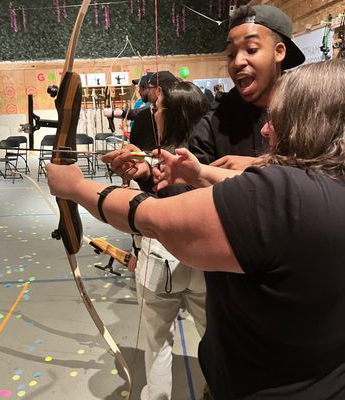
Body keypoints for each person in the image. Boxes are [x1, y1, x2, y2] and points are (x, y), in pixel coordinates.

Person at [47, 58, 345, 399]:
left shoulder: (285, 195)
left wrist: (75, 187)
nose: (265, 130)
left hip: (266, 389)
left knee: (158, 340)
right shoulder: (330, 183)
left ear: (309, 122)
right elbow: (256, 189)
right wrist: (199, 174)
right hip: (324, 379)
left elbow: (155, 218)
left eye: (277, 119)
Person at [108, 81, 210, 400]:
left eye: (158, 108)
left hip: (161, 259)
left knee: (157, 342)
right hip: (205, 261)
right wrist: (141, 173)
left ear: (174, 114)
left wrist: (140, 178)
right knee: (214, 338)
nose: (154, 113)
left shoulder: (181, 162)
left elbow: (157, 204)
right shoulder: (209, 157)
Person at [189, 4, 305, 170]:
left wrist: (263, 166)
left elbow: (329, 172)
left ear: (279, 52)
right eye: (231, 54)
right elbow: (194, 178)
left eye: (251, 49)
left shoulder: (310, 114)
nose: (237, 62)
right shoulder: (212, 125)